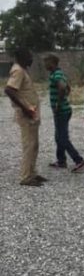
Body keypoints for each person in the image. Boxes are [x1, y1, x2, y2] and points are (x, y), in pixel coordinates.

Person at [4, 48, 46, 186]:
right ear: (21, 57)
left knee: (34, 145)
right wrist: (25, 109)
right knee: (29, 145)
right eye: (29, 56)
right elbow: (9, 90)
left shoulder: (23, 70)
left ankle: (32, 173)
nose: (31, 59)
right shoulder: (18, 71)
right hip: (26, 115)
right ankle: (25, 177)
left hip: (32, 114)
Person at [44, 54, 84, 171]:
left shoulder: (57, 74)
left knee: (62, 138)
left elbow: (63, 88)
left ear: (52, 62)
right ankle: (61, 161)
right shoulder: (58, 73)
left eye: (46, 62)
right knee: (58, 137)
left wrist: (58, 104)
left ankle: (79, 160)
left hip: (61, 111)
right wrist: (64, 96)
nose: (45, 65)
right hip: (63, 111)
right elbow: (67, 88)